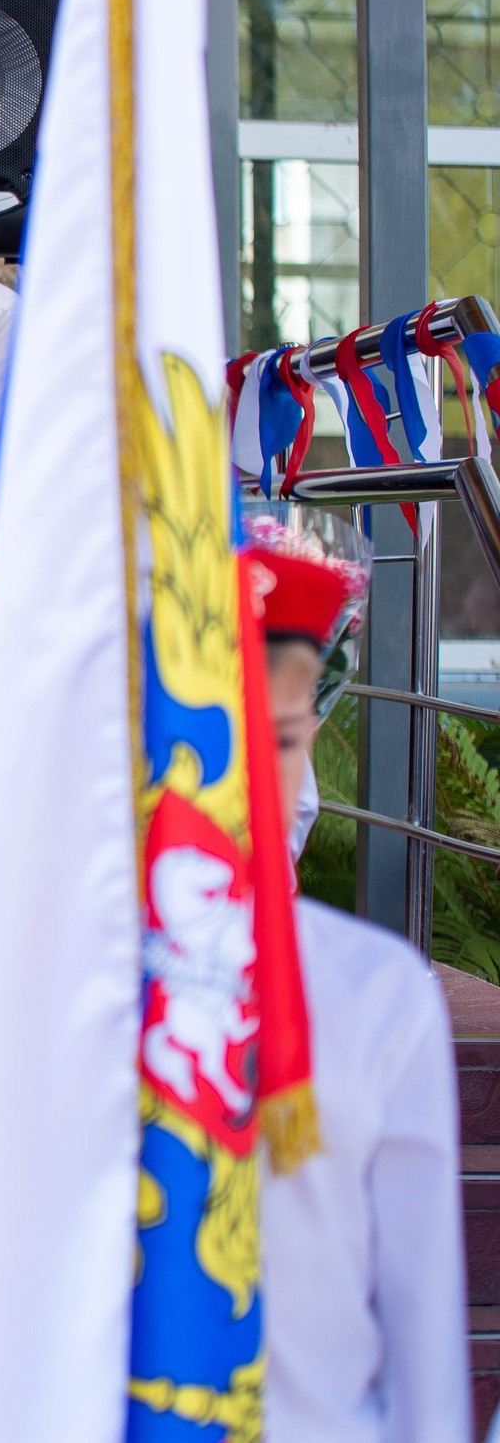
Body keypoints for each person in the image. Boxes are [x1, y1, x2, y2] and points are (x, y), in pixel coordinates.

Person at [247, 531, 471, 1443]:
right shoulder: (59, 984)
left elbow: (424, 1334)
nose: (250, 777)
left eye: (285, 739)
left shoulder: (380, 995)